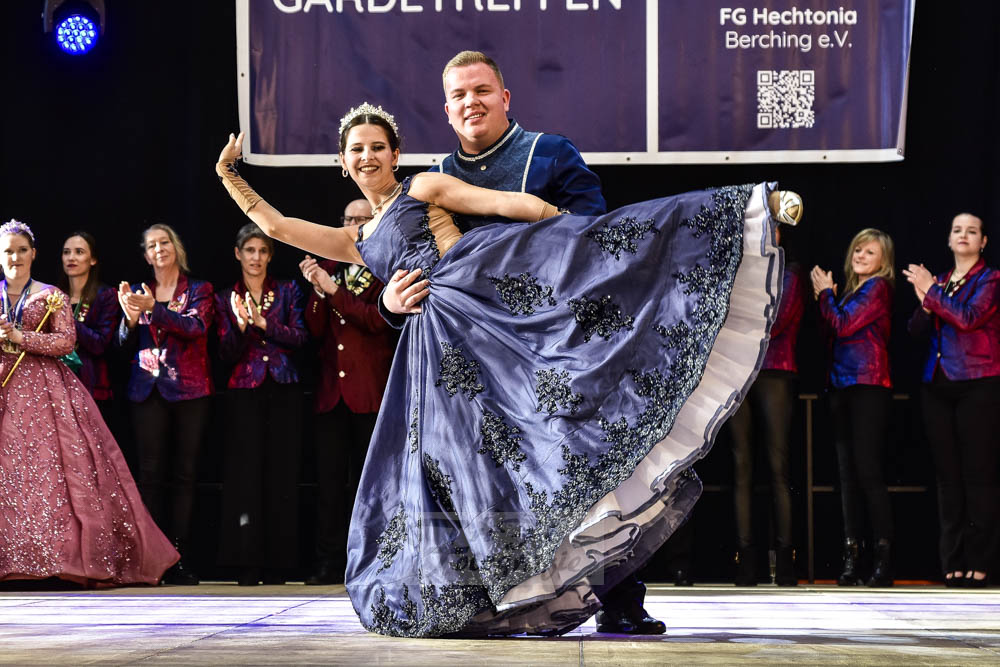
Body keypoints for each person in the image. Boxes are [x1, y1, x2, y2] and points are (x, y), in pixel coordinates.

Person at [214, 104, 799, 637]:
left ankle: (750, 210)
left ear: (395, 154)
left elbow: (501, 204)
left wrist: (567, 230)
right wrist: (228, 175)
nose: (367, 156)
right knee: (473, 466)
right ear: (343, 163)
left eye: (377, 147)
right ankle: (486, 594)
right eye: (356, 150)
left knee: (566, 391)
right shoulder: (357, 239)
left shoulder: (422, 186)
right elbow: (277, 226)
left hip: (482, 294)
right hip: (439, 351)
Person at [383, 50, 670, 635]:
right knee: (484, 488)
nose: (472, 102)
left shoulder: (550, 153)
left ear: (505, 97)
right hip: (473, 367)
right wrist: (391, 303)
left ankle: (620, 598)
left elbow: (596, 236)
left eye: (482, 90)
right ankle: (496, 605)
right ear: (446, 110)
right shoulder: (432, 178)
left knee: (588, 470)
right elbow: (404, 263)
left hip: (555, 348)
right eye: (460, 95)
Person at [0, 219, 179, 586]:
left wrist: (21, 336)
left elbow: (66, 341)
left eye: (21, 250)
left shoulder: (50, 295)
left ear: (33, 254)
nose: (15, 257)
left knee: (48, 474)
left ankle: (55, 560)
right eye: (8, 251)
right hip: (5, 387)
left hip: (45, 395)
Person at [299, 200, 396, 586]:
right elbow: (314, 328)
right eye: (349, 219)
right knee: (329, 485)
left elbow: (376, 320)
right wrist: (318, 291)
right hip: (332, 393)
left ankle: (374, 562)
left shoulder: (385, 267)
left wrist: (333, 291)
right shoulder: (330, 267)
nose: (355, 225)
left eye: (362, 219)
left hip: (370, 392)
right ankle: (329, 561)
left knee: (371, 484)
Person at [904, 213, 1000, 588]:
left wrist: (932, 294)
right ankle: (952, 561)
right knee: (948, 479)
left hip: (977, 382)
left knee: (978, 475)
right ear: (948, 239)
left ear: (983, 242)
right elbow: (915, 329)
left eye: (972, 231)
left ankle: (980, 561)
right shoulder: (941, 281)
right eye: (957, 230)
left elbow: (969, 318)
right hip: (937, 384)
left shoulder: (990, 279)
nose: (963, 235)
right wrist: (927, 303)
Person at [117, 224, 214, 585]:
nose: (159, 249)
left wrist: (153, 309)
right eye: (152, 245)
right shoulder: (138, 291)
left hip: (189, 388)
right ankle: (152, 558)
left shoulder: (199, 289)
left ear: (176, 247)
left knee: (185, 475)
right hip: (147, 388)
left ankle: (179, 556)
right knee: (150, 475)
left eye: (165, 242)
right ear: (146, 255)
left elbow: (196, 327)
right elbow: (122, 344)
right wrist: (129, 321)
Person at [215, 223, 308, 586]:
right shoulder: (226, 297)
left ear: (270, 256)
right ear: (238, 254)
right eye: (250, 251)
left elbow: (300, 337)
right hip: (244, 389)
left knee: (281, 474)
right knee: (245, 476)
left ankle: (279, 563)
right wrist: (241, 327)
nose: (256, 258)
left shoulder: (287, 290)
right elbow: (224, 353)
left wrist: (263, 323)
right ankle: (246, 561)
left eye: (262, 251)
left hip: (283, 388)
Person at [810, 229, 895, 587]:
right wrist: (829, 297)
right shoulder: (850, 292)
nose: (861, 255)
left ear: (883, 260)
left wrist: (824, 295)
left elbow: (842, 326)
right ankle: (853, 556)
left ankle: (883, 559)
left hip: (868, 385)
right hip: (841, 386)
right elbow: (830, 331)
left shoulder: (878, 288)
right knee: (847, 477)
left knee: (868, 471)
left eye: (870, 252)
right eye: (858, 249)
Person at [727, 226, 804, 586]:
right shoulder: (736, 270)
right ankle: (745, 560)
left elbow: (776, 320)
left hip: (775, 370)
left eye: (769, 228)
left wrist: (739, 319)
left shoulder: (790, 273)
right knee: (741, 465)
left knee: (778, 465)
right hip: (738, 371)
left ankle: (785, 560)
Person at [59, 231, 118, 418]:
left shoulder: (106, 295)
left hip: (91, 385)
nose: (71, 257)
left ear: (92, 260)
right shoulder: (54, 295)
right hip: (58, 385)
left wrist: (67, 317)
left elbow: (100, 344)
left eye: (79, 252)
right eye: (66, 252)